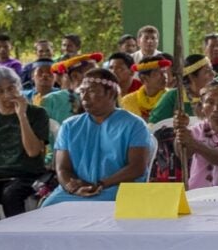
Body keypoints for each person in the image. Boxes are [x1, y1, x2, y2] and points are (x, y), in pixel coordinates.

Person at [42, 69, 152, 206]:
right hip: (78, 192)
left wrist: (101, 184)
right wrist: (73, 187)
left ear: (111, 93)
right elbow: (62, 168)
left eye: (92, 91)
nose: (85, 97)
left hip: (118, 189)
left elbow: (137, 167)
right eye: (82, 92)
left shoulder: (134, 124)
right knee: (48, 207)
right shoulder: (70, 126)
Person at [0, 67, 51, 222]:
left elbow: (33, 152)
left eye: (11, 88)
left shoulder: (37, 114)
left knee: (11, 196)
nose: (7, 95)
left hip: (28, 176)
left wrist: (22, 116)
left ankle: (18, 242)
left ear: (19, 87)